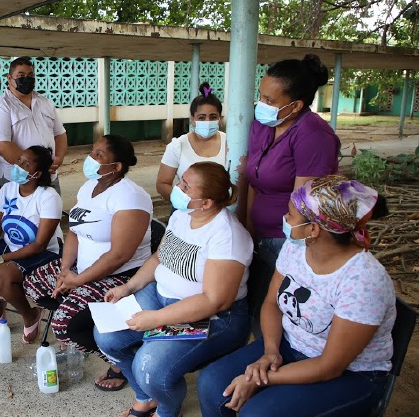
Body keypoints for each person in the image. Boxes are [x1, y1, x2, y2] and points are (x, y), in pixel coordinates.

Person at [198, 176, 395, 417]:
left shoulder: (363, 280)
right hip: (290, 346)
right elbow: (272, 303)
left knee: (258, 413)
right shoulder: (297, 247)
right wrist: (270, 352)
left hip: (351, 375)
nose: (285, 219)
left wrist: (265, 378)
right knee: (211, 383)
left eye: (290, 215)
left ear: (314, 229)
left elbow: (330, 366)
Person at [94, 161, 253, 417]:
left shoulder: (227, 236)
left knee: (150, 366)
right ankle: (146, 399)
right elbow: (160, 257)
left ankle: (167, 411)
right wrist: (129, 286)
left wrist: (155, 319)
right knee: (107, 336)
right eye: (181, 180)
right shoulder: (183, 214)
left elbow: (215, 301)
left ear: (206, 203)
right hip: (160, 296)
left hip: (211, 318)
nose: (177, 188)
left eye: (186, 186)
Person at [23, 134, 152, 391]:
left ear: (116, 167)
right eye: (92, 152)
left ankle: (121, 362)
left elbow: (120, 255)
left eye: (99, 155)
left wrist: (79, 280)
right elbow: (74, 231)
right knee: (33, 282)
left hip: (121, 276)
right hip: (81, 270)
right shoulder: (89, 187)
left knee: (62, 325)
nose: (90, 159)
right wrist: (65, 270)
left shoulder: (130, 197)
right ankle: (87, 319)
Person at [245, 54, 340, 335]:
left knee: (283, 308)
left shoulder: (314, 136)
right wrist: (248, 227)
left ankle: (276, 361)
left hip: (288, 240)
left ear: (296, 105)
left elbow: (303, 203)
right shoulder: (263, 125)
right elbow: (252, 180)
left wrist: (291, 247)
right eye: (260, 96)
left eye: (270, 101)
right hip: (259, 233)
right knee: (257, 304)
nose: (261, 105)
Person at [0, 146, 63, 342]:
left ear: (37, 173)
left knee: (1, 275)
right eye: (19, 160)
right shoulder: (8, 189)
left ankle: (30, 315)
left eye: (26, 164)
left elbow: (39, 245)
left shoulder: (48, 197)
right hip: (10, 248)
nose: (19, 166)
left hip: (43, 254)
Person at [0, 57, 68, 194]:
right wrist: (32, 168)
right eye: (21, 76)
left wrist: (58, 159)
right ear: (9, 78)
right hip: (17, 179)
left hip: (48, 176)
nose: (26, 79)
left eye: (30, 75)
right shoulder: (0, 106)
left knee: (51, 213)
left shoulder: (45, 102)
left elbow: (60, 134)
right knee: (19, 215)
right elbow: (2, 145)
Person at [156, 82, 226, 204]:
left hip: (223, 209)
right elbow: (162, 184)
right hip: (186, 213)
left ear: (220, 118)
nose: (207, 121)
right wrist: (185, 204)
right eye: (202, 117)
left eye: (213, 117)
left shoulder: (231, 143)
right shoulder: (177, 146)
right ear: (193, 119)